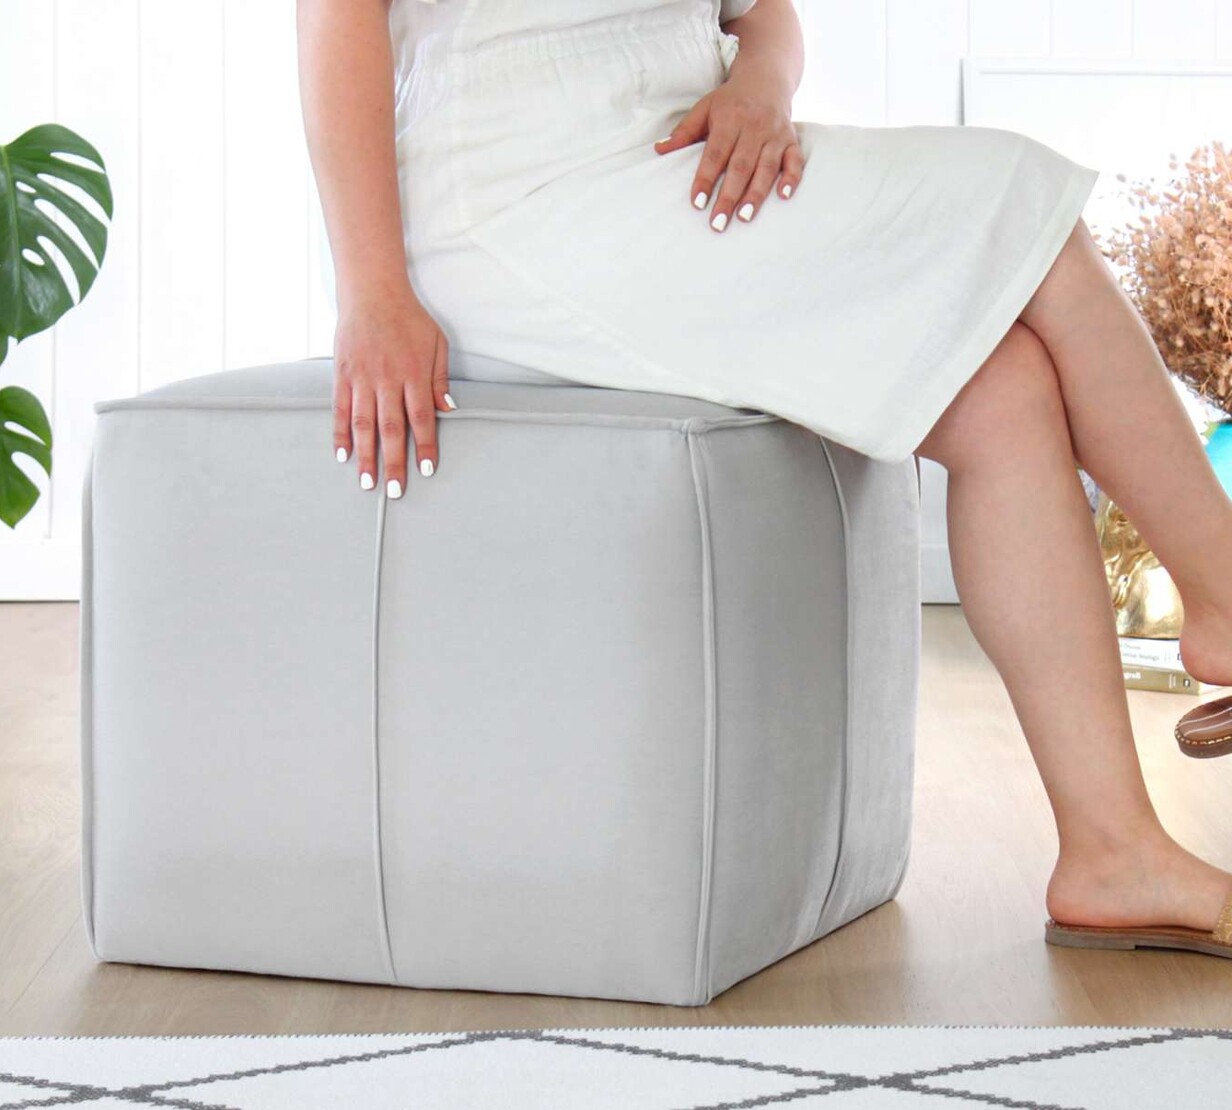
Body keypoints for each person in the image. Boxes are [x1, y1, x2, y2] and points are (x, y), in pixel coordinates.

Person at [296, 0, 1232, 959]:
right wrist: (372, 293)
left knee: (1006, 390)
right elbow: (335, 20)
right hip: (514, 197)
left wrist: (760, 84)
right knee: (1020, 197)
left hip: (687, 167)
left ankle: (1114, 852)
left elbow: (764, 15)